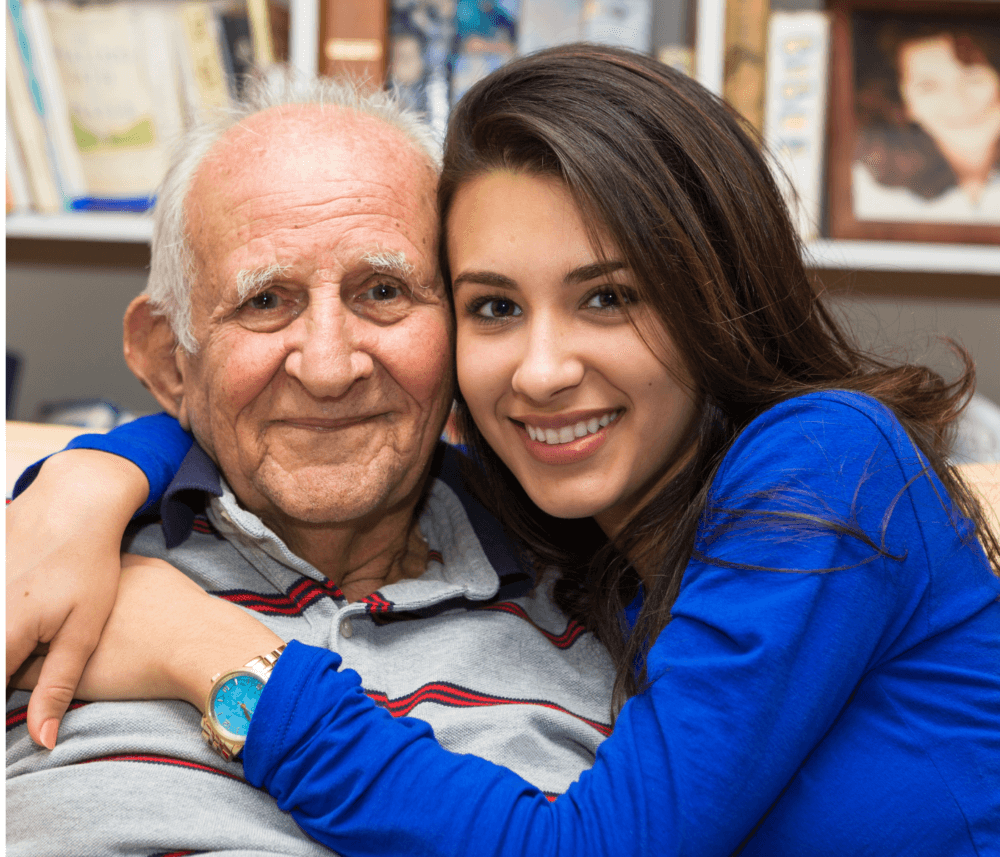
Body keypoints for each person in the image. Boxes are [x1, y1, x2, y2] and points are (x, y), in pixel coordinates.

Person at [9, 44, 1000, 856]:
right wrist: (98, 470)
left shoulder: (826, 465)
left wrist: (215, 654)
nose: (538, 371)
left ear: (712, 299)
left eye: (608, 296)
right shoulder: (583, 549)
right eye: (493, 305)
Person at [4, 70, 618, 856]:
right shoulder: (45, 569)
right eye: (266, 301)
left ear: (467, 333)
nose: (329, 368)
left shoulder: (608, 600)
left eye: (384, 290)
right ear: (170, 358)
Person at [852, 18, 1000, 223]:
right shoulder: (866, 189)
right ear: (906, 105)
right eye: (928, 87)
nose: (957, 102)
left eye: (972, 78)